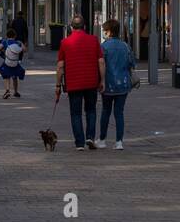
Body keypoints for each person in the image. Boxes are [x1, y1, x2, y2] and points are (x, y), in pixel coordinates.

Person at [56, 17, 104, 150]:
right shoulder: (94, 40)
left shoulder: (65, 42)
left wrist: (58, 85)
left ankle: (79, 143)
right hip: (91, 82)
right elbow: (101, 62)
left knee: (75, 113)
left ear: (71, 27)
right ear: (85, 26)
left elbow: (60, 66)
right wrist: (102, 80)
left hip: (73, 84)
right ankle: (90, 137)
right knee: (91, 110)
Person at [96, 19, 134, 150]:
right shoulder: (125, 46)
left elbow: (100, 65)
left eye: (104, 31)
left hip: (108, 84)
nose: (103, 34)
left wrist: (100, 81)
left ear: (109, 32)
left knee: (105, 111)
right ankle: (119, 142)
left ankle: (102, 139)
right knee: (119, 113)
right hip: (123, 84)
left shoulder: (104, 47)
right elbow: (131, 64)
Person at [0, 28, 25, 99]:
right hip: (15, 62)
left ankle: (7, 90)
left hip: (7, 62)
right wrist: (21, 44)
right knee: (14, 76)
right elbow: (24, 50)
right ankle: (15, 92)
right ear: (15, 36)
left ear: (7, 35)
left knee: (6, 76)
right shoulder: (18, 43)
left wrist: (3, 51)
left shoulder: (5, 42)